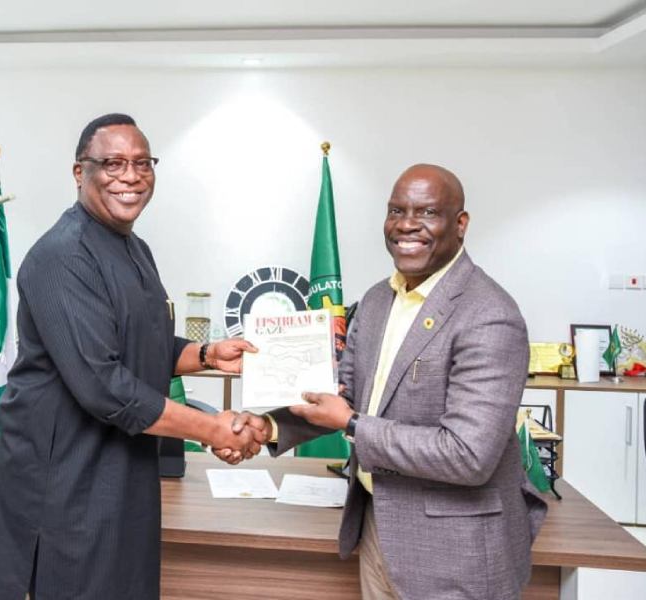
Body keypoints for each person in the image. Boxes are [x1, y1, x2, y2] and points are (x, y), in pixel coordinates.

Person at [223, 164, 548, 599]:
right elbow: (344, 399)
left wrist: (354, 424)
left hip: (458, 555)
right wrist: (270, 428)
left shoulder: (489, 314)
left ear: (460, 223)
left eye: (427, 212)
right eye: (397, 210)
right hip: (380, 532)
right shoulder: (378, 300)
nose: (407, 224)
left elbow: (469, 455)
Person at [0, 113, 262, 600]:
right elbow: (104, 385)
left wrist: (206, 354)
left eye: (141, 163)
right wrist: (214, 428)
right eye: (112, 163)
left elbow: (141, 343)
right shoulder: (62, 256)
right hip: (65, 494)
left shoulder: (136, 249)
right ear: (79, 173)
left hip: (122, 478)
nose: (130, 177)